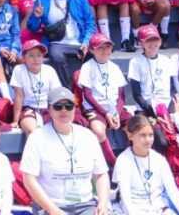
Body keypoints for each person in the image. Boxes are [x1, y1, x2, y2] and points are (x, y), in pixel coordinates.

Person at [20, 87, 111, 215]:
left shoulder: (88, 136)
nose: (64, 110)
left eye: (69, 106)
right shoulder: (37, 137)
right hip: (52, 206)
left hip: (86, 205)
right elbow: (29, 179)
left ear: (74, 109)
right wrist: (53, 210)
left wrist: (102, 204)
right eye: (58, 106)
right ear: (49, 110)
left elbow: (101, 174)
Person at [26, 0, 96, 86]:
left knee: (97, 52)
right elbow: (32, 28)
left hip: (80, 41)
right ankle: (66, 90)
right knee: (56, 56)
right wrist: (36, 17)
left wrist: (86, 42)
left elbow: (90, 23)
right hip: (57, 43)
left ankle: (89, 90)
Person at [112, 115, 179, 215]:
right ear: (130, 136)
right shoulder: (123, 160)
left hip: (159, 210)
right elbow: (126, 197)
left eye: (150, 135)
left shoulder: (159, 159)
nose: (148, 140)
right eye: (143, 135)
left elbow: (173, 191)